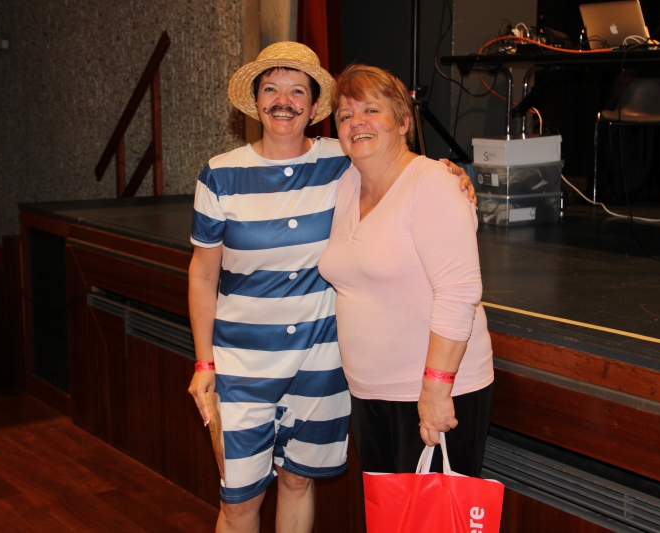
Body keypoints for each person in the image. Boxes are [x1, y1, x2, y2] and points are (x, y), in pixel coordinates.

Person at [186, 43, 475, 533]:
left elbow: (399, 166)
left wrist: (449, 172)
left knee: (299, 482)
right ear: (256, 100)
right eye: (271, 88)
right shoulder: (220, 174)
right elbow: (202, 274)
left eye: (297, 90)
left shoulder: (341, 159)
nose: (284, 100)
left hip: (320, 363)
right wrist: (203, 363)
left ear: (315, 105)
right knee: (238, 503)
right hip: (242, 364)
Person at [319, 64, 494, 478]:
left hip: (432, 393)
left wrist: (435, 388)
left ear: (402, 122)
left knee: (433, 514)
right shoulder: (346, 183)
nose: (357, 122)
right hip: (368, 393)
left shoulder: (433, 183)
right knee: (386, 512)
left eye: (371, 110)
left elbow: (458, 292)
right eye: (345, 115)